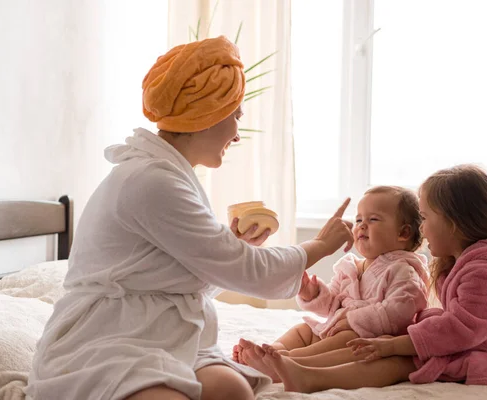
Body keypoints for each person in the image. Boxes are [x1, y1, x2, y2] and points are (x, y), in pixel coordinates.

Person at [25, 36, 354, 400]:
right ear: (207, 117)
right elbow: (245, 270)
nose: (238, 134)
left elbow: (178, 279)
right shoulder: (151, 181)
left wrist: (232, 246)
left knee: (234, 392)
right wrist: (319, 247)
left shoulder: (168, 175)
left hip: (160, 332)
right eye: (236, 116)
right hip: (111, 338)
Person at [252, 164, 487, 393]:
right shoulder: (469, 265)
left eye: (425, 218)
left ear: (455, 224)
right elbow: (458, 322)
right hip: (476, 341)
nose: (422, 228)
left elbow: (459, 328)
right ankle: (288, 361)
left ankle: (304, 372)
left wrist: (393, 344)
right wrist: (314, 294)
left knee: (397, 359)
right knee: (348, 339)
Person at [234, 186, 429, 383]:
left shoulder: (404, 271)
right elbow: (332, 305)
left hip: (368, 339)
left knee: (346, 337)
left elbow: (401, 310)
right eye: (359, 219)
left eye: (373, 219)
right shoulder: (350, 267)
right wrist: (313, 293)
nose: (361, 226)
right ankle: (273, 351)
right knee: (304, 330)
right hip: (333, 330)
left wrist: (354, 320)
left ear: (403, 233)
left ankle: (287, 361)